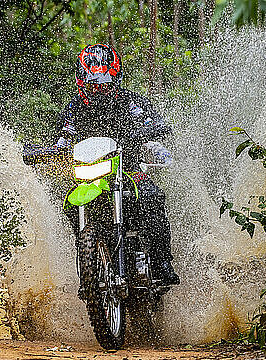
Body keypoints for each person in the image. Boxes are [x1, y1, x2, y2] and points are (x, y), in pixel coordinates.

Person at [55, 43, 180, 286]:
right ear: (81, 80)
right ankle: (89, 259)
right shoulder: (72, 108)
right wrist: (53, 149)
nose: (99, 88)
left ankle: (161, 261)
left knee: (151, 197)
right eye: (93, 83)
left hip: (128, 170)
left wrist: (152, 132)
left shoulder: (131, 102)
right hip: (89, 176)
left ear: (117, 78)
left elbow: (151, 121)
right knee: (70, 204)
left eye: (105, 82)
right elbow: (63, 134)